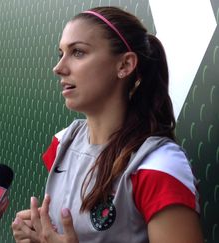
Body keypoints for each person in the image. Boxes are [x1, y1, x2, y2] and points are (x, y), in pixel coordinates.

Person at [11, 6, 204, 243]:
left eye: (78, 52)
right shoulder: (62, 143)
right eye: (60, 53)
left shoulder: (158, 165)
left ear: (124, 65)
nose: (59, 67)